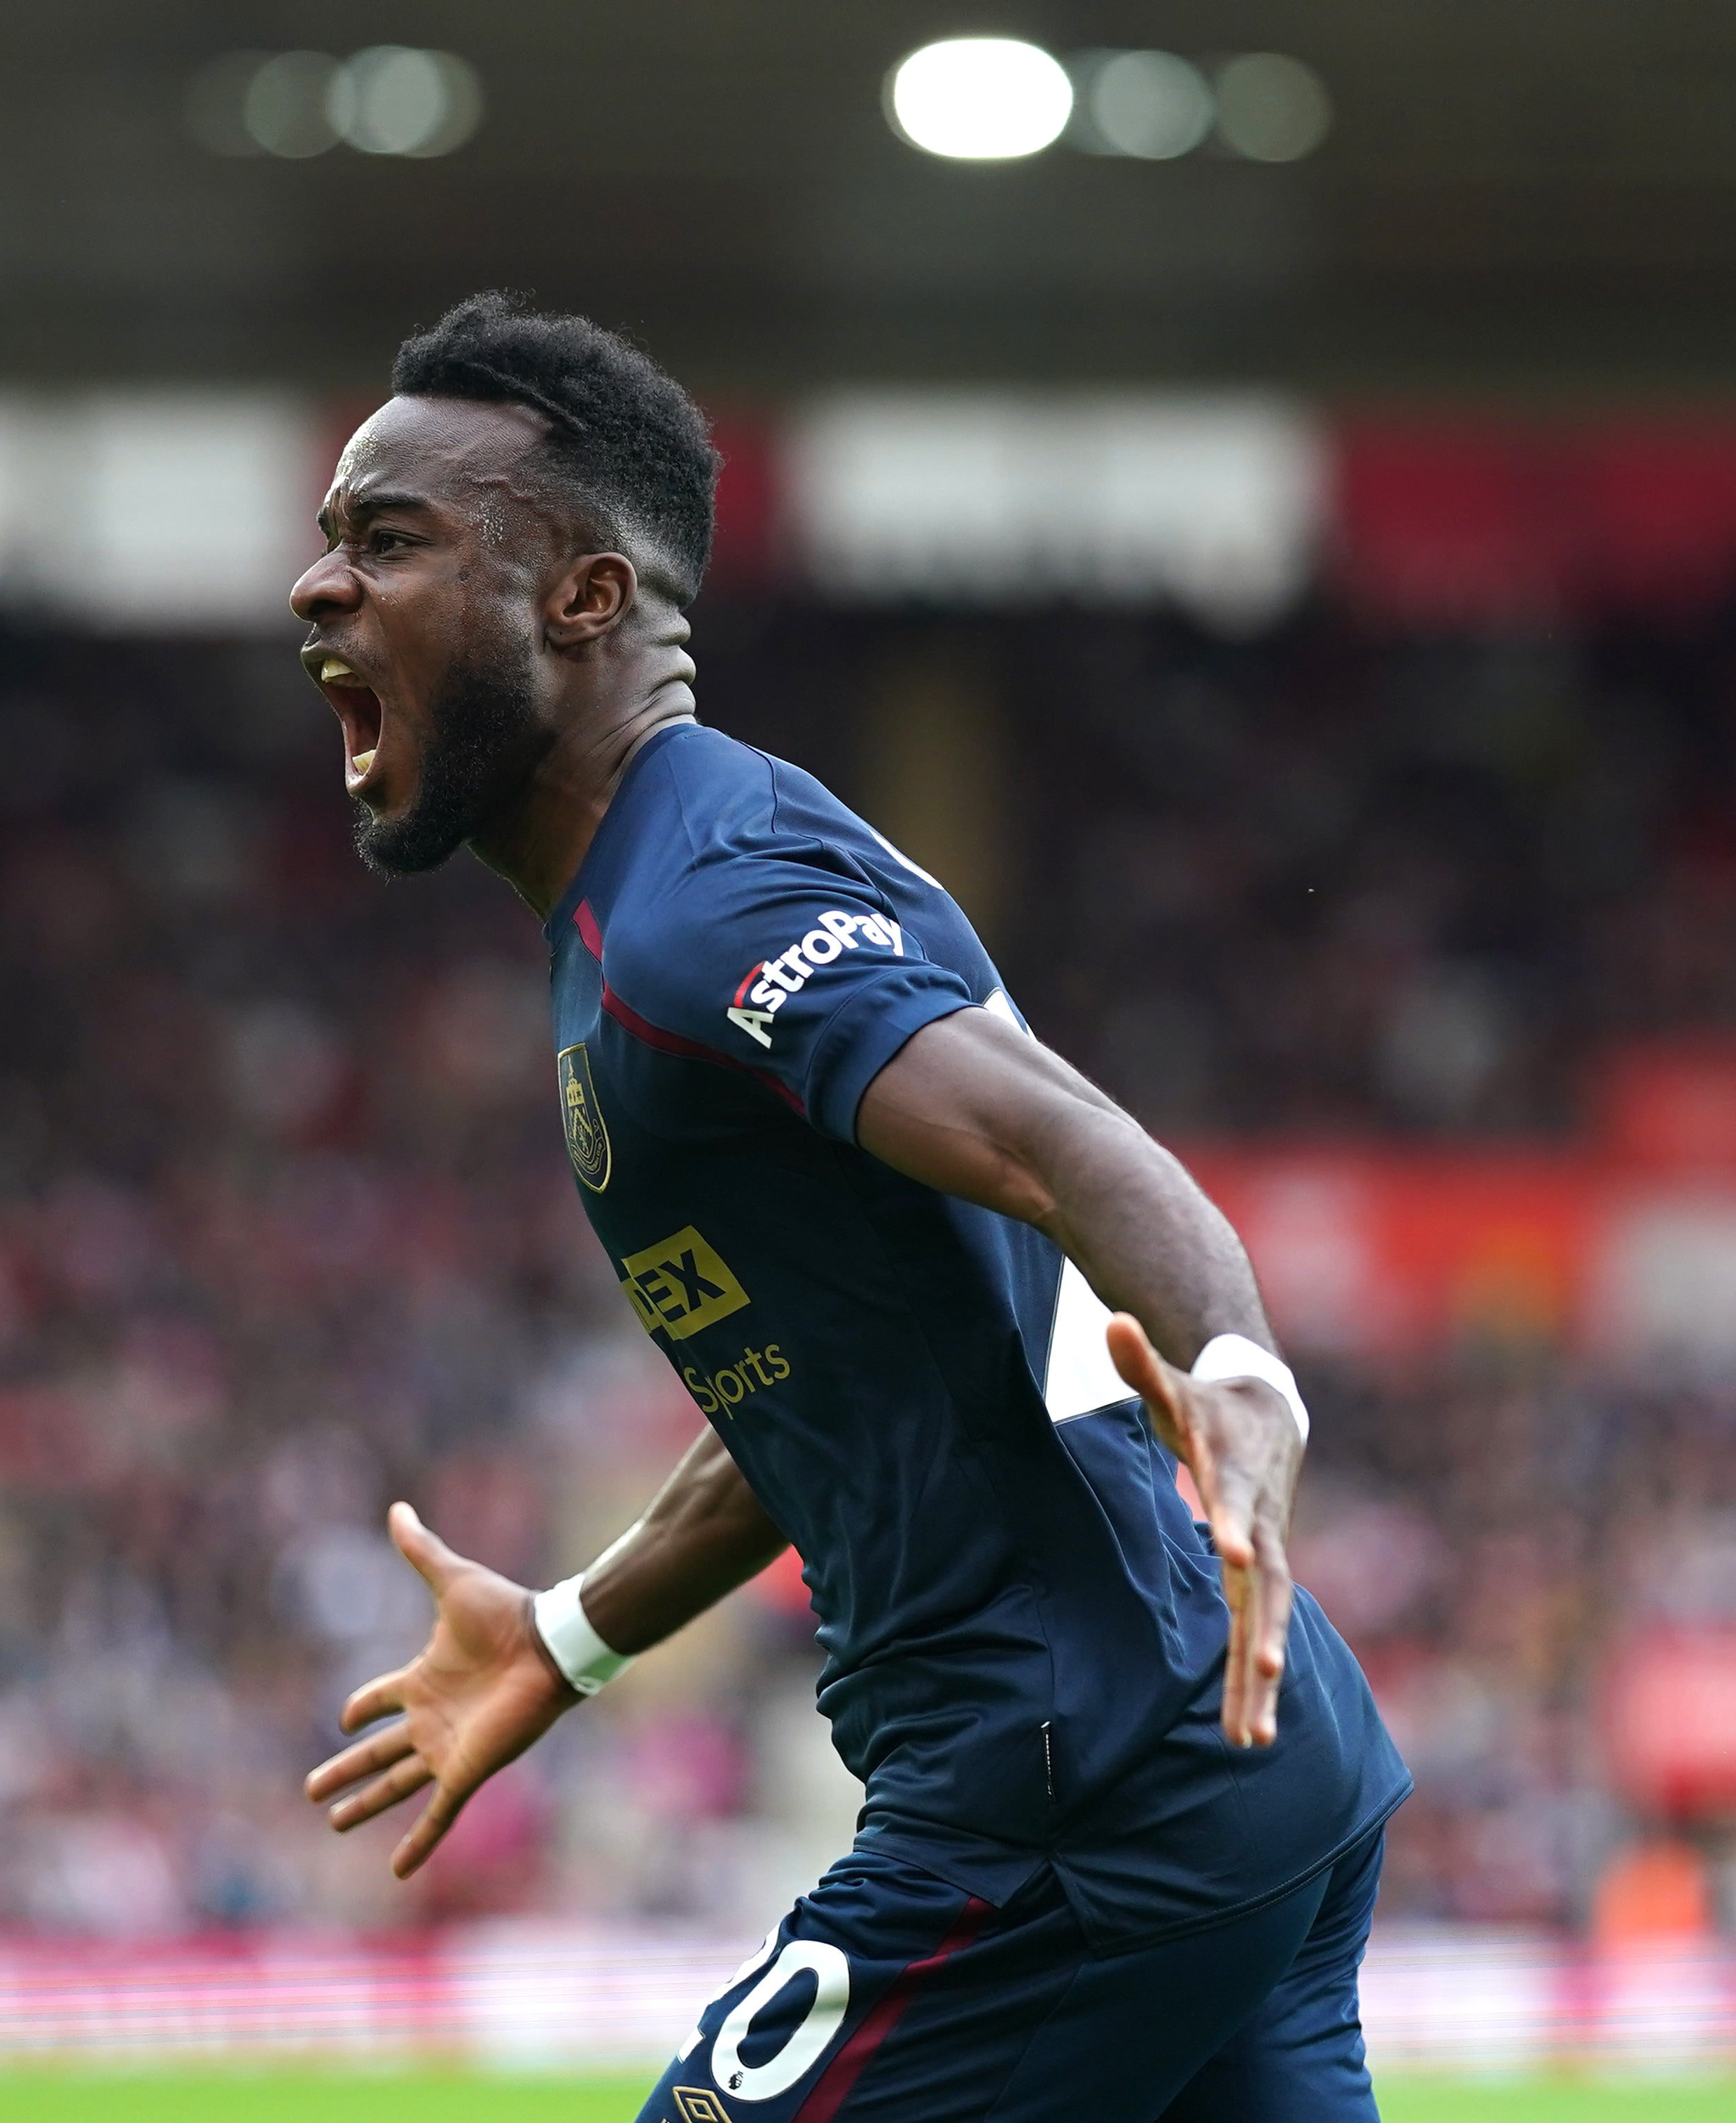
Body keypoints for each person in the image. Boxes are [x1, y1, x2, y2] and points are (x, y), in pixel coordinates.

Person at [293, 292, 1408, 2123]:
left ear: (582, 596)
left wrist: (1241, 1373)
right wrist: (571, 1633)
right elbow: (829, 1389)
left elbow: (1068, 1144)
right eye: (332, 539)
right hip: (1225, 1760)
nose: (316, 589)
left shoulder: (698, 909)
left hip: (1080, 1790)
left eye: (388, 539)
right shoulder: (663, 898)